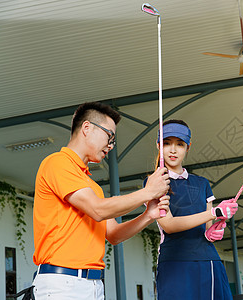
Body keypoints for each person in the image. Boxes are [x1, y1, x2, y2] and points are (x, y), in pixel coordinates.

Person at [32, 102, 171, 300]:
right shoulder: (57, 163)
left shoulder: (92, 187)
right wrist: (148, 192)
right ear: (87, 128)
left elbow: (113, 234)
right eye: (109, 136)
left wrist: (148, 215)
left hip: (93, 285)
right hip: (62, 285)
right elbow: (98, 210)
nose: (111, 145)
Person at [148, 119, 238, 300]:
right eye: (167, 143)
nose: (173, 150)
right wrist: (214, 213)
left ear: (188, 147)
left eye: (180, 144)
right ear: (158, 145)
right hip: (174, 263)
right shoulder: (154, 183)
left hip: (208, 262)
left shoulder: (202, 184)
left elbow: (206, 228)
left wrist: (215, 229)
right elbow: (169, 225)